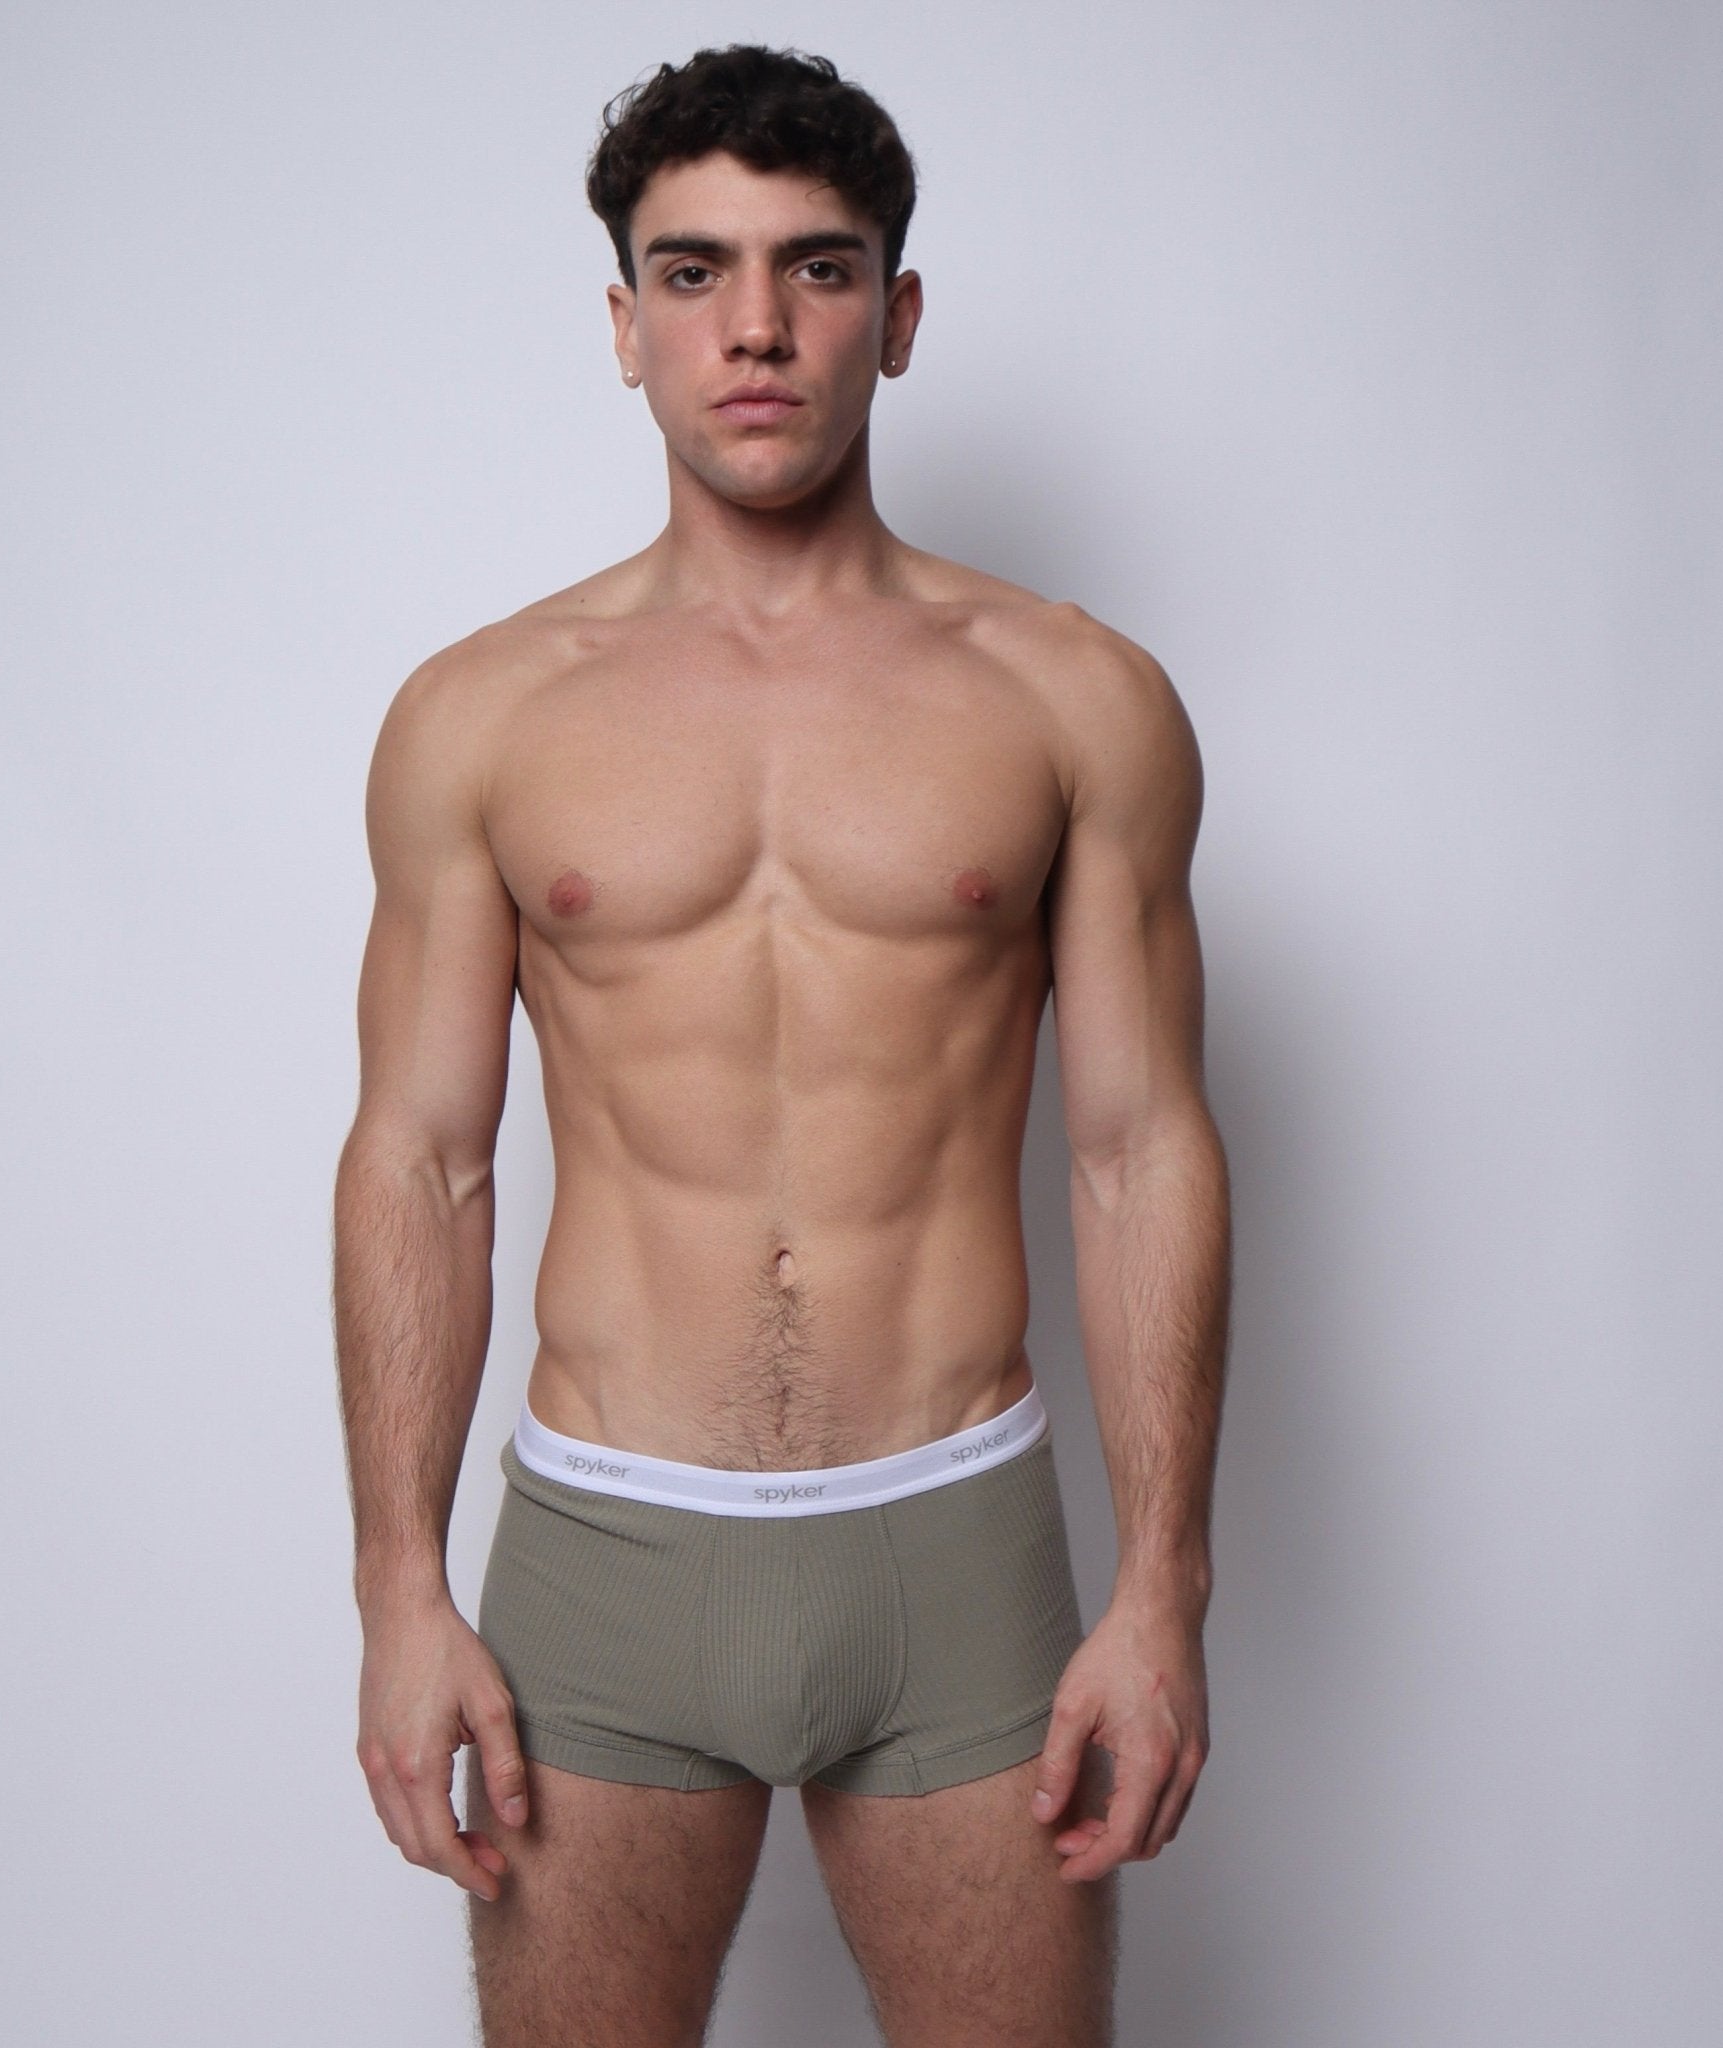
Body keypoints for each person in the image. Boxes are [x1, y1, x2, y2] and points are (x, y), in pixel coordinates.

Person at [332, 42, 1230, 2048]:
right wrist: (398, 1589)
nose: (755, 326)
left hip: (953, 1547)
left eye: (816, 268)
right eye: (694, 271)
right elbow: (421, 1158)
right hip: (605, 1553)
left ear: (895, 318)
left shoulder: (1074, 698)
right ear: (624, 325)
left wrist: (1165, 1589)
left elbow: (1139, 1148)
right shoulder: (481, 716)